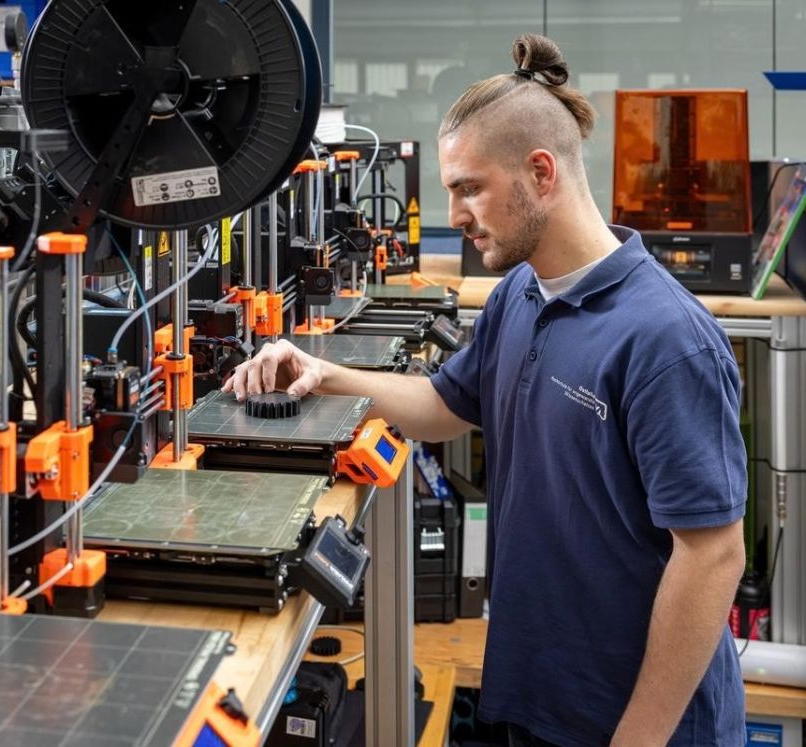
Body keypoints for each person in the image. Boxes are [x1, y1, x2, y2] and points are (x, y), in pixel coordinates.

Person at [225, 33, 747, 746]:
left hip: (637, 721)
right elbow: (445, 407)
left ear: (541, 172)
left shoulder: (663, 338)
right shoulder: (521, 294)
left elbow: (714, 554)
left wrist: (640, 738)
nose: (458, 212)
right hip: (537, 693)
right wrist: (325, 376)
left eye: (469, 187)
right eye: (451, 191)